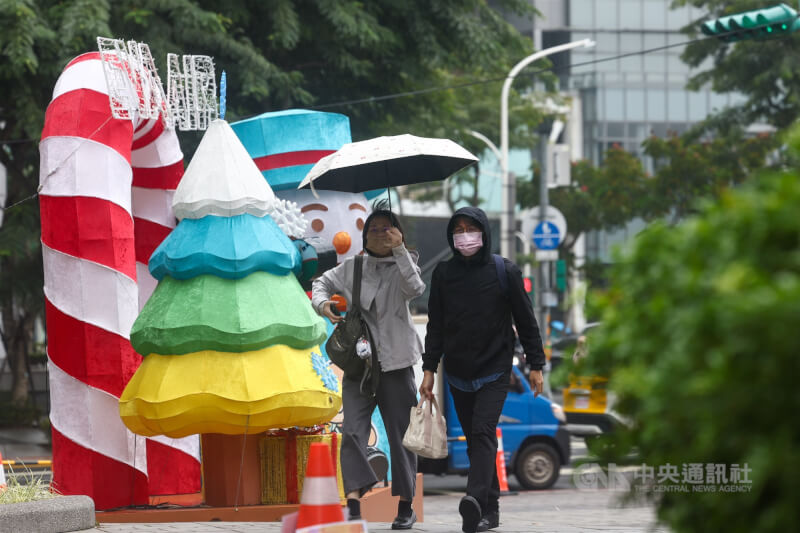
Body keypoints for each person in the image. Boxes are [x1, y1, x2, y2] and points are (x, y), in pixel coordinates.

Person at [419, 206, 546, 533]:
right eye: (458, 229)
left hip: (495, 368)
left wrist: (536, 364)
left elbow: (526, 321)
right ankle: (490, 510)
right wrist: (429, 369)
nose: (464, 235)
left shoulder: (505, 271)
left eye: (470, 228)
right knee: (476, 442)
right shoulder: (444, 275)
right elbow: (436, 326)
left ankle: (473, 499)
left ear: (484, 232)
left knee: (482, 431)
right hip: (458, 372)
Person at [312, 204, 425, 530]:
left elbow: (416, 289)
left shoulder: (406, 264)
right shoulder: (353, 267)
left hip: (396, 363)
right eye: (373, 229)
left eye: (386, 228)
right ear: (365, 235)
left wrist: (400, 248)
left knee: (402, 435)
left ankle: (406, 506)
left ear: (397, 232)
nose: (380, 234)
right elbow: (321, 284)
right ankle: (354, 500)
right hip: (360, 365)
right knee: (352, 432)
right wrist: (324, 304)